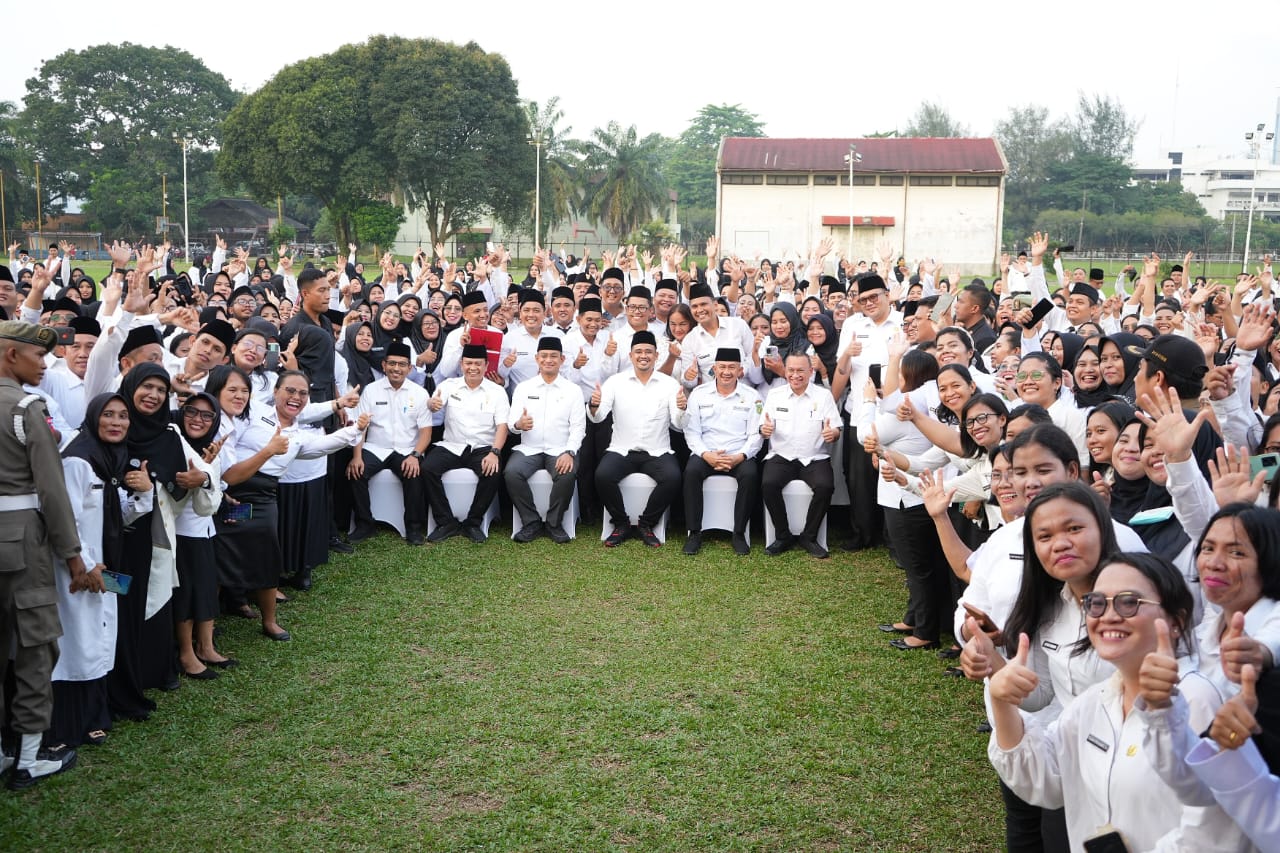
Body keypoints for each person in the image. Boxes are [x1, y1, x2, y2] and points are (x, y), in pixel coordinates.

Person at [988, 552, 1249, 851]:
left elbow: (1219, 825)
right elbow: (1044, 781)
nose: (1109, 615)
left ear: (1176, 621)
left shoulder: (1198, 700)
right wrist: (1001, 701)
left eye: (1129, 602)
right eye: (1096, 603)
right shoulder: (1095, 702)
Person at [0, 321, 93, 788]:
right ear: (10, 356)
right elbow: (52, 492)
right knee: (36, 645)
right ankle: (30, 757)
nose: (44, 364)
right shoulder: (26, 408)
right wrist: (73, 554)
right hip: (21, 541)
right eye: (37, 357)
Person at [589, 330, 688, 548]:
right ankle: (622, 524)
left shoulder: (669, 384)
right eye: (639, 351)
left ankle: (646, 524)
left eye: (648, 352)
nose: (643, 355)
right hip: (621, 449)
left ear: (656, 355)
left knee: (673, 477)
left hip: (657, 450)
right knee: (603, 475)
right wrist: (594, 404)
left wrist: (682, 408)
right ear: (631, 355)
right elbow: (598, 417)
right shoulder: (615, 382)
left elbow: (679, 425)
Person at [347, 343, 433, 545]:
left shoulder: (419, 393)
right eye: (392, 363)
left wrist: (415, 455)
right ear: (384, 365)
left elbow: (426, 432)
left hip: (406, 448)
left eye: (402, 364)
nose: (397, 368)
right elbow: (362, 427)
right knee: (355, 472)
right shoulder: (371, 390)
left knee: (415, 473)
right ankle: (365, 524)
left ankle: (412, 528)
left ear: (410, 368)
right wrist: (357, 456)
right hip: (376, 448)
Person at [424, 344, 510, 543]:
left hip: (483, 447)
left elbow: (502, 426)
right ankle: (446, 522)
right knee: (428, 468)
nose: (473, 367)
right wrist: (431, 404)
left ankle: (473, 522)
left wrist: (495, 452)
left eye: (478, 364)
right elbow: (433, 403)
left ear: (486, 365)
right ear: (461, 364)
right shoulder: (448, 385)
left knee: (492, 471)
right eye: (469, 363)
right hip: (452, 445)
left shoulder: (496, 391)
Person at [681, 347, 763, 556]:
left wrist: (740, 457)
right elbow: (691, 432)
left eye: (732, 367)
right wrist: (706, 455)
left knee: (750, 474)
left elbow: (756, 435)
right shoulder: (699, 394)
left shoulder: (753, 396)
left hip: (738, 453)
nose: (727, 372)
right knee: (691, 472)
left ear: (740, 370)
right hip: (706, 452)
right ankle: (694, 532)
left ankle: (738, 533)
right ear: (714, 368)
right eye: (723, 367)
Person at [760, 352, 841, 558]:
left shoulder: (823, 396)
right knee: (768, 484)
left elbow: (836, 429)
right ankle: (783, 535)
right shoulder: (775, 395)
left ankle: (809, 536)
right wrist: (765, 430)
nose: (795, 375)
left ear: (811, 372)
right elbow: (763, 425)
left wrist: (832, 433)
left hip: (814, 456)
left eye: (800, 371)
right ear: (785, 371)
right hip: (782, 455)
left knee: (825, 486)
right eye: (791, 370)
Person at [505, 337, 585, 544]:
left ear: (562, 359)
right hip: (529, 448)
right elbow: (512, 422)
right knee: (512, 472)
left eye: (553, 356)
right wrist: (518, 424)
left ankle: (554, 523)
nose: (548, 360)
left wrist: (570, 452)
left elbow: (578, 428)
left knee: (566, 474)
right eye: (544, 356)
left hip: (560, 448)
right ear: (537, 359)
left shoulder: (572, 390)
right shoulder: (524, 388)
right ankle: (530, 522)